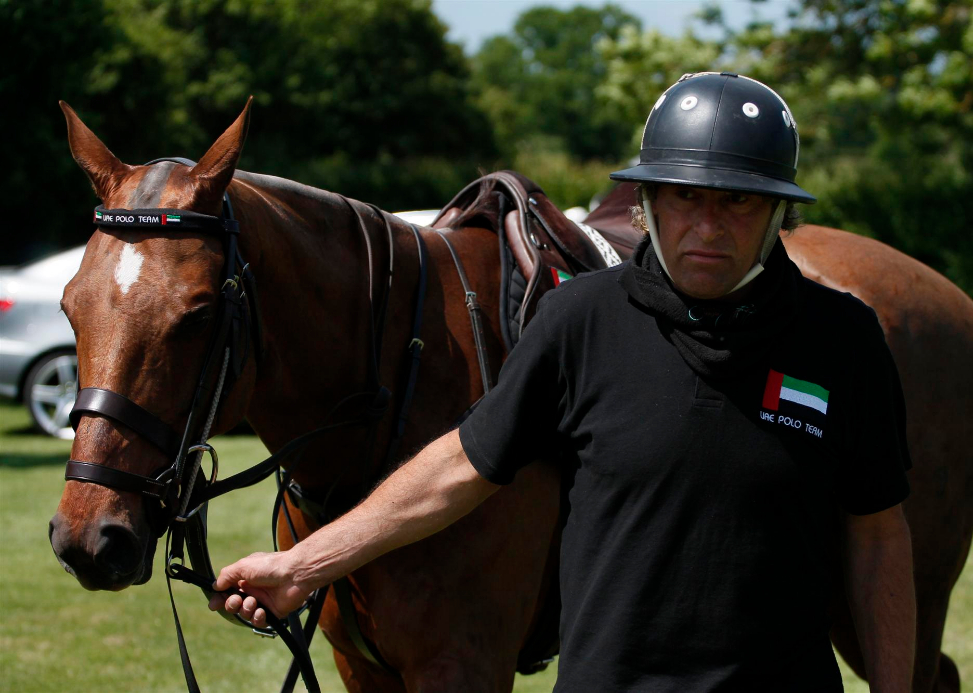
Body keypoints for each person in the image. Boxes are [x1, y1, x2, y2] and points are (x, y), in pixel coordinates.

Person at [212, 72, 915, 692]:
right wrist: (303, 564)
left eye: (737, 201)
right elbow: (458, 466)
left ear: (778, 214)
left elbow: (879, 536)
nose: (707, 225)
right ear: (646, 202)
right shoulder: (580, 319)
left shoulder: (844, 340)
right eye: (683, 195)